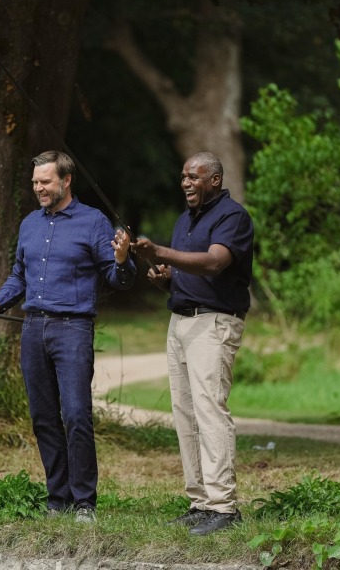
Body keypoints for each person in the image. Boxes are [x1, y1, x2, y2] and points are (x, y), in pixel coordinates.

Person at [0, 150, 136, 523]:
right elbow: (19, 275)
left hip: (73, 329)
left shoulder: (93, 222)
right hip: (33, 329)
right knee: (43, 417)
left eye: (45, 181)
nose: (38, 188)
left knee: (76, 414)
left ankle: (84, 503)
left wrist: (123, 259)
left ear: (66, 180)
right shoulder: (29, 224)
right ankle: (57, 499)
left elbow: (119, 279)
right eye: (35, 182)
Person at [131, 151, 253, 536]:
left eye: (193, 176)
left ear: (214, 180)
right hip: (180, 321)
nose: (185, 182)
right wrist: (165, 277)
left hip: (214, 322)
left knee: (209, 409)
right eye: (183, 176)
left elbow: (214, 263)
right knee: (185, 413)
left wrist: (159, 252)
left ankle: (224, 507)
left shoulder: (233, 217)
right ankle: (200, 502)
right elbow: (187, 274)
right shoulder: (185, 219)